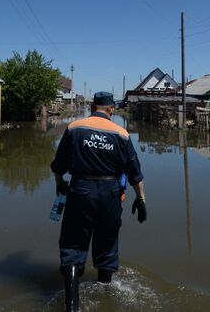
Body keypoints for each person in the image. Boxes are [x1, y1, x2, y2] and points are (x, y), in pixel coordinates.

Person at [50, 91, 146, 312]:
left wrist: (59, 185)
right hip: (110, 194)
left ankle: (72, 306)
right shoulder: (122, 134)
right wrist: (141, 199)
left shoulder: (74, 128)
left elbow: (58, 166)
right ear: (112, 110)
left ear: (93, 106)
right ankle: (105, 293)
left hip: (80, 190)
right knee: (107, 244)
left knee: (73, 245)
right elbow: (136, 174)